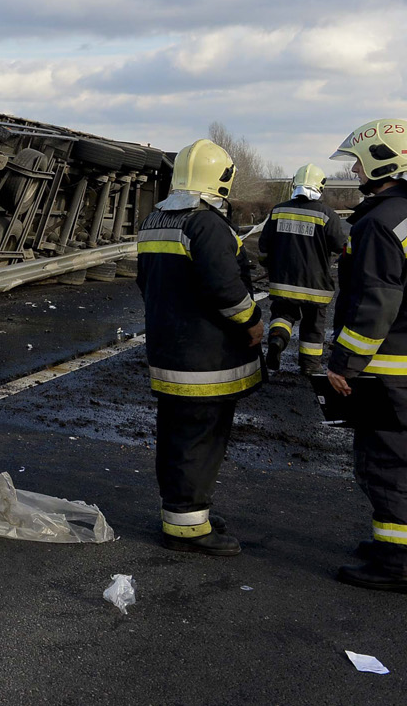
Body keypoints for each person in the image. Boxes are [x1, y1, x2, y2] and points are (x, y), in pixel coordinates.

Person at [328, 120, 407, 594]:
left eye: (359, 162)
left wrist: (344, 364)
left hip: (389, 371)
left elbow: (375, 305)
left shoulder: (381, 222)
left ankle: (399, 562)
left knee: (386, 465)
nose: (355, 171)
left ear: (384, 161)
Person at [136, 138, 264, 556]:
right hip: (206, 359)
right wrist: (253, 321)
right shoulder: (206, 224)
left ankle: (188, 514)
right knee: (200, 440)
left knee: (177, 436)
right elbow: (226, 290)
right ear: (221, 180)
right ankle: (188, 528)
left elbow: (146, 284)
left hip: (169, 353)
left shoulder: (156, 219)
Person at [258, 164, 349, 379]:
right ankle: (309, 366)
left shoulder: (278, 211)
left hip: (282, 282)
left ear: (294, 184)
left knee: (282, 315)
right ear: (320, 187)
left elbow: (263, 248)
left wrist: (269, 266)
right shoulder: (327, 215)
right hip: (315, 286)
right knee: (313, 325)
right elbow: (341, 247)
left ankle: (276, 341)